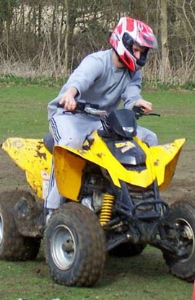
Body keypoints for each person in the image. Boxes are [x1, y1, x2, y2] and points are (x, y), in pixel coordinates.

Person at [44, 16, 159, 220]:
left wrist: (136, 102)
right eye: (136, 49)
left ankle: (135, 201)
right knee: (70, 143)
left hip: (102, 120)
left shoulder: (134, 72)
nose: (139, 54)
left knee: (149, 139)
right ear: (123, 42)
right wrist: (70, 94)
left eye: (143, 51)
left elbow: (131, 93)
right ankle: (51, 211)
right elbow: (81, 79)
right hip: (69, 115)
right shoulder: (98, 62)